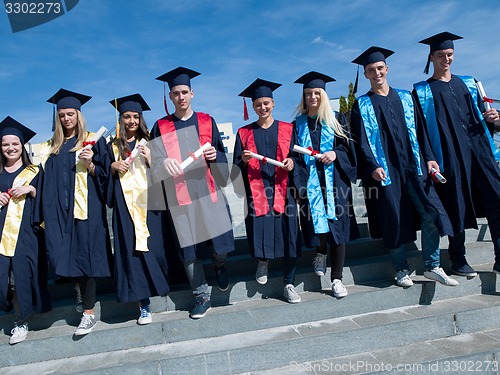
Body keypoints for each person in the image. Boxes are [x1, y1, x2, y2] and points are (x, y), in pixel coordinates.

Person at [350, 47, 457, 288]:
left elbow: (421, 131)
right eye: (371, 70)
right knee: (393, 218)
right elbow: (362, 141)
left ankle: (432, 265)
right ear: (366, 75)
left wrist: (429, 157)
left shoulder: (406, 97)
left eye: (379, 68)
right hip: (386, 170)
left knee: (432, 212)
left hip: (415, 166)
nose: (376, 73)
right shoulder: (362, 104)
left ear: (387, 69)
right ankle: (400, 269)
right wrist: (372, 165)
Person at [413, 32, 500, 277]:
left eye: (449, 54)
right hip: (449, 154)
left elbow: (485, 116)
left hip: (480, 150)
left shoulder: (469, 83)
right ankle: (458, 260)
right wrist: (430, 157)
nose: (446, 59)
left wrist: (494, 118)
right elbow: (421, 131)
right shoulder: (422, 91)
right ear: (431, 58)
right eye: (441, 55)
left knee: (497, 198)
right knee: (456, 205)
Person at [150, 67, 234, 319]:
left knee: (220, 243)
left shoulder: (207, 120)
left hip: (208, 189)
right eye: (175, 93)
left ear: (192, 93)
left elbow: (220, 152)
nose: (180, 97)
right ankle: (201, 295)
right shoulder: (161, 125)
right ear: (171, 97)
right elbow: (155, 159)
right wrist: (163, 162)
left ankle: (219, 265)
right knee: (188, 247)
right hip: (179, 195)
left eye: (184, 92)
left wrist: (215, 155)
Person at [41, 89, 112, 335]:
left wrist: (91, 163)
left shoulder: (93, 141)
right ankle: (79, 290)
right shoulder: (51, 148)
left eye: (70, 114)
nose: (66, 119)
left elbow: (106, 178)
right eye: (61, 115)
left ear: (79, 115)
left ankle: (89, 313)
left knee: (85, 255)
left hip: (86, 209)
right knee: (61, 252)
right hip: (58, 211)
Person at [233, 78, 302, 303]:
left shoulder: (287, 129)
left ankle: (289, 283)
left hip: (284, 189)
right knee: (260, 228)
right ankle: (262, 261)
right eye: (258, 104)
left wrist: (292, 161)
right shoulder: (244, 133)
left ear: (273, 103)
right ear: (253, 107)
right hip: (258, 191)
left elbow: (298, 155)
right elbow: (235, 166)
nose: (263, 108)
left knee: (288, 233)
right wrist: (243, 161)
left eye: (266, 103)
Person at [292, 72, 359, 298]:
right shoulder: (297, 124)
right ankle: (320, 253)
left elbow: (347, 148)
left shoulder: (336, 119)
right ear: (304, 97)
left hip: (335, 182)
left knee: (337, 228)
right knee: (317, 224)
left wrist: (334, 153)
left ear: (323, 95)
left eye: (317, 93)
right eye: (309, 93)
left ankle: (337, 279)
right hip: (310, 181)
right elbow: (294, 155)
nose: (313, 97)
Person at [107, 94, 170, 325]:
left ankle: (161, 286)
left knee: (155, 247)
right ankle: (143, 304)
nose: (131, 120)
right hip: (125, 207)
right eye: (126, 116)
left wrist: (153, 159)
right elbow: (103, 176)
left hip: (150, 203)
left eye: (135, 116)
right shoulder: (111, 147)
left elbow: (166, 173)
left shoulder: (152, 142)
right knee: (132, 254)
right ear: (120, 119)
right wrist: (112, 166)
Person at [0, 117, 51, 344]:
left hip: (26, 233)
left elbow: (49, 201)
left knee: (21, 276)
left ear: (22, 146)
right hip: (1, 231)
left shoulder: (35, 171)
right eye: (5, 144)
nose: (10, 148)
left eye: (15, 144)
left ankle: (20, 322)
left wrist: (32, 189)